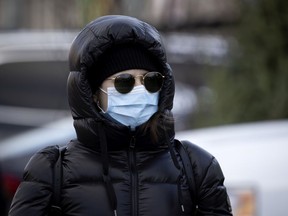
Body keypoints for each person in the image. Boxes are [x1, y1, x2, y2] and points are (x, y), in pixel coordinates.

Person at [9, 15, 232, 216]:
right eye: (124, 82)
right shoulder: (51, 171)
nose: (140, 90)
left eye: (151, 80)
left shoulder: (195, 167)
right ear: (94, 94)